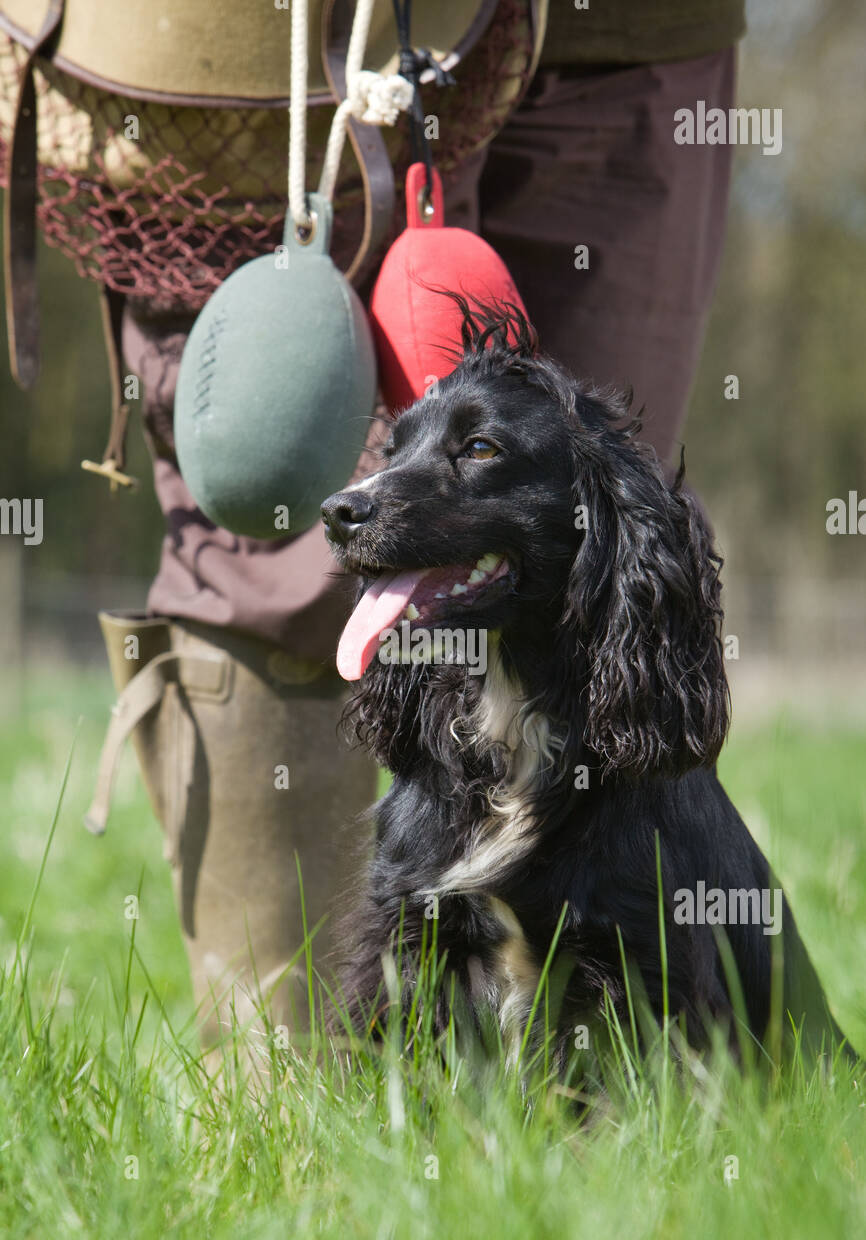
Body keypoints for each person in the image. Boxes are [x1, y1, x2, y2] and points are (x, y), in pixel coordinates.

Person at [0, 0, 745, 1045]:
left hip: (626, 32)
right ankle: (287, 1100)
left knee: (590, 500)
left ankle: (626, 1109)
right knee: (273, 542)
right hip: (264, 35)